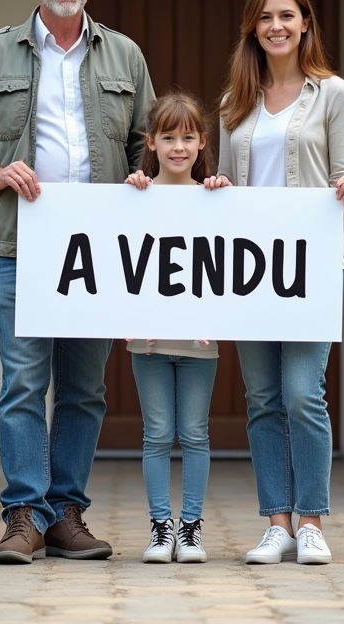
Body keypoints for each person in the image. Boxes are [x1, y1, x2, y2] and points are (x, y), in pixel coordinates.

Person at [0, 0, 156, 565]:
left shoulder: (125, 55)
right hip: (19, 247)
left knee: (85, 390)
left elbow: (146, 141)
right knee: (24, 385)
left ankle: (66, 514)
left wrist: (145, 175)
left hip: (100, 250)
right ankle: (23, 518)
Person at [207, 0, 344, 566]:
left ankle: (312, 520)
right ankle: (276, 522)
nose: (276, 26)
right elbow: (223, 185)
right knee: (264, 399)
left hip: (310, 270)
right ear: (252, 27)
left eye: (287, 15)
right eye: (265, 17)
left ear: (305, 24)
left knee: (304, 395)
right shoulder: (233, 103)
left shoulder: (334, 94)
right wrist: (216, 186)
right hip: (250, 272)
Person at [123, 91, 231, 564]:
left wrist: (222, 193)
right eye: (168, 137)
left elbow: (229, 267)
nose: (179, 146)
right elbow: (118, 263)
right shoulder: (135, 196)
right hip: (145, 341)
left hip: (198, 339)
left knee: (195, 433)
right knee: (156, 433)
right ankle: (160, 528)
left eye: (188, 136)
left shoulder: (215, 199)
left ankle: (190, 528)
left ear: (203, 141)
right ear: (151, 141)